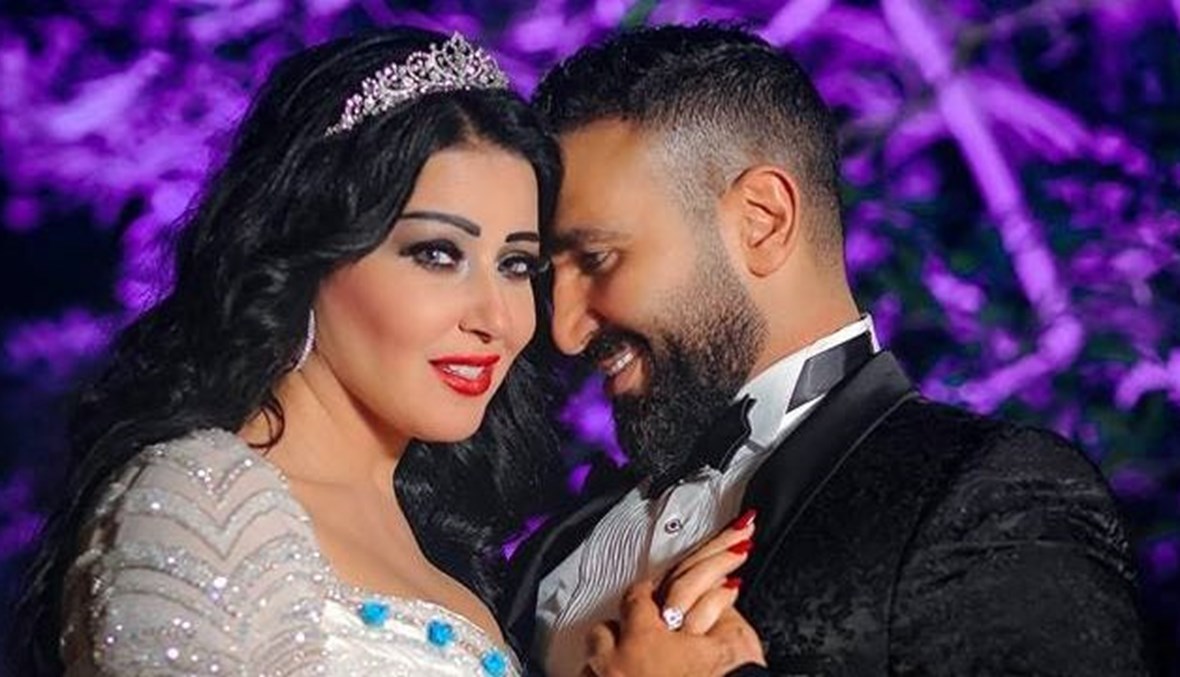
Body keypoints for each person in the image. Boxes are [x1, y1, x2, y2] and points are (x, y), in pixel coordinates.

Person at [9, 28, 759, 676]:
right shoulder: (202, 493)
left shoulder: (442, 549)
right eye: (437, 254)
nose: (498, 319)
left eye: (516, 265)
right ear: (306, 255)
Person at [503, 22, 1149, 676]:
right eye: (553, 275)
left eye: (597, 257)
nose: (565, 331)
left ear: (762, 220)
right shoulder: (558, 545)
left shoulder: (984, 491)